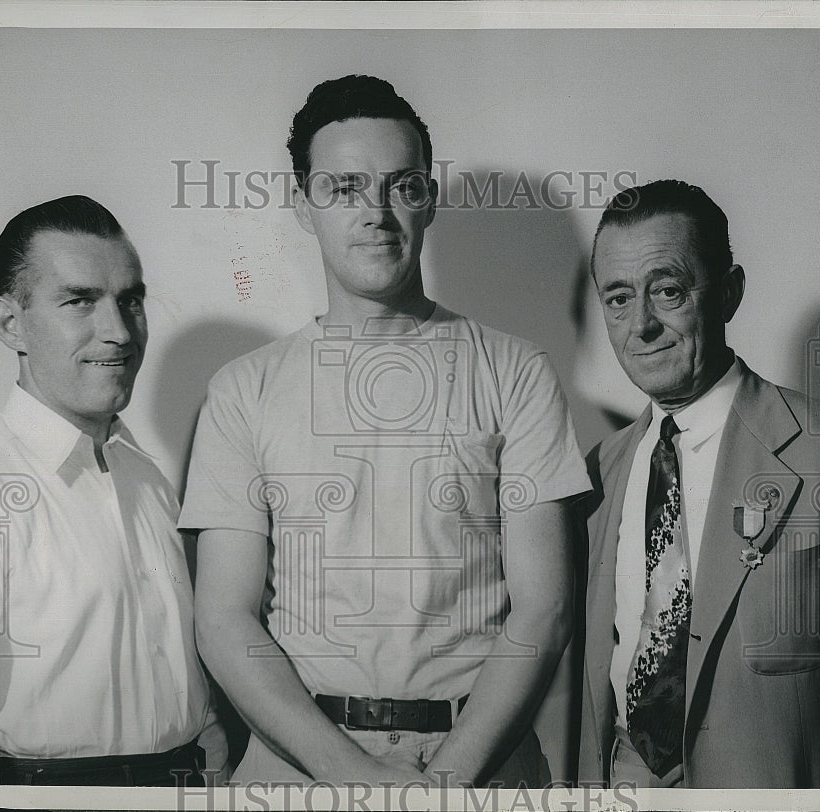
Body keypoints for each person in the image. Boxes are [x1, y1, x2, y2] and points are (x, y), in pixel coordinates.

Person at [180, 75, 591, 788]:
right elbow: (223, 620)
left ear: (428, 198)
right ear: (304, 204)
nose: (375, 212)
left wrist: (446, 781)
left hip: (482, 765)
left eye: (400, 185)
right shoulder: (243, 390)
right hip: (297, 767)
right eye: (344, 188)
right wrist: (358, 778)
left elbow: (544, 607)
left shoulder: (516, 371)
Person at [0, 195, 227, 785]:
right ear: (11, 324)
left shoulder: (151, 483)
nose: (118, 331)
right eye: (79, 301)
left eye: (130, 300)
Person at [578, 179, 820, 788]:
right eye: (619, 299)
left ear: (729, 293)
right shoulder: (599, 471)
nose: (642, 325)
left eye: (669, 291)